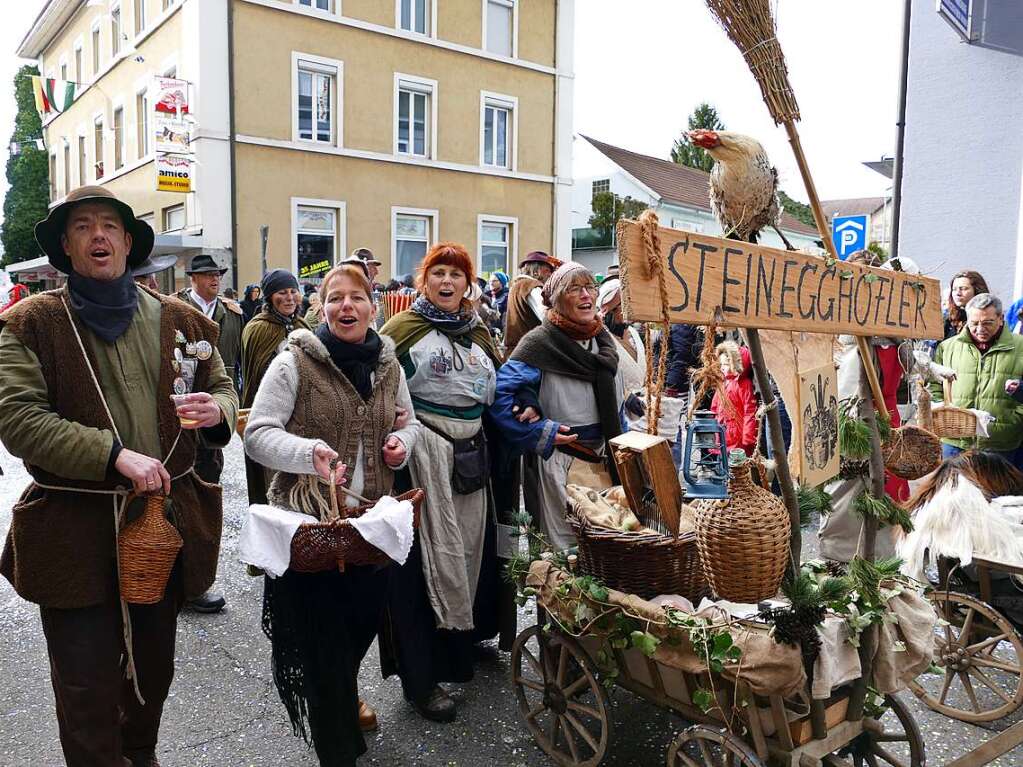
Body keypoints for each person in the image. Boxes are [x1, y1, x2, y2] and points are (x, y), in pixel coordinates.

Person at [0, 185, 238, 767]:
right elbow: (18, 419)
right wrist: (114, 456)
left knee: (153, 671)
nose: (98, 236)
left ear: (129, 243)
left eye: (110, 226)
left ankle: (142, 755)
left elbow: (225, 387)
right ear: (66, 246)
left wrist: (219, 412)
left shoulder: (181, 318)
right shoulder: (29, 322)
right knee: (85, 685)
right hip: (72, 529)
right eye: (82, 227)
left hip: (162, 523)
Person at [245, 263, 419, 766]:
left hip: (372, 525)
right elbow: (257, 433)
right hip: (310, 529)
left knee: (360, 626)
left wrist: (399, 446)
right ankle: (337, 746)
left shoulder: (388, 362)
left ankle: (342, 695)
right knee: (322, 644)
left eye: (357, 298)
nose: (347, 307)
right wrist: (308, 452)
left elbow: (412, 424)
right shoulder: (294, 361)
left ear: (373, 306)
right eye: (335, 298)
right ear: (320, 306)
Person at [379, 242, 508, 723]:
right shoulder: (402, 331)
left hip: (473, 453)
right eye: (439, 273)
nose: (448, 281)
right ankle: (422, 676)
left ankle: (461, 644)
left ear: (468, 283)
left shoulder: (479, 332)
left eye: (457, 274)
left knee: (469, 554)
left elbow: (497, 390)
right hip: (422, 455)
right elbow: (379, 392)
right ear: (424, 281)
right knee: (425, 563)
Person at [491, 261, 625, 550]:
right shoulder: (540, 344)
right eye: (575, 289)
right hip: (558, 464)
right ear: (557, 300)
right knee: (563, 551)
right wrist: (540, 431)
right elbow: (499, 396)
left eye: (589, 287)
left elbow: (614, 406)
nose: (586, 295)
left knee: (603, 545)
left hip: (603, 459)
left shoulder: (603, 344)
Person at [241, 268, 310, 504]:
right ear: (270, 297)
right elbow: (256, 374)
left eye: (293, 291)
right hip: (272, 411)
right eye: (282, 292)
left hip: (300, 414)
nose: (290, 297)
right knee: (270, 477)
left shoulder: (302, 325)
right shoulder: (257, 328)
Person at [933, 293, 1023, 461]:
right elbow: (933, 384)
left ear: (1001, 318)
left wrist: (1014, 420)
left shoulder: (1020, 347)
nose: (980, 329)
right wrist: (943, 412)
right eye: (974, 323)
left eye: (987, 322)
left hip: (1001, 443)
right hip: (954, 442)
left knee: (998, 488)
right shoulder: (947, 347)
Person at [503, 251, 562, 356]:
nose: (550, 275)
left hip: (518, 352)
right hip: (529, 354)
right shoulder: (532, 286)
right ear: (536, 271)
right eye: (548, 270)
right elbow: (547, 317)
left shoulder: (517, 286)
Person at [710, 341, 758, 456]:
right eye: (721, 365)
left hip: (737, 434)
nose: (722, 368)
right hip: (722, 431)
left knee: (737, 464)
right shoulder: (722, 384)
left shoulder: (743, 385)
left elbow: (749, 411)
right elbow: (715, 406)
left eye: (725, 365)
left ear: (736, 364)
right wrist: (712, 424)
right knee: (723, 460)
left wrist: (748, 436)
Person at [597, 277, 645, 392]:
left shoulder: (633, 333)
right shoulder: (600, 338)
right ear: (609, 311)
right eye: (622, 306)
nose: (628, 311)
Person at [945, 270, 989, 340]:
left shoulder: (988, 318)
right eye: (954, 289)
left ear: (977, 290)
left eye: (963, 289)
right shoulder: (949, 319)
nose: (958, 293)